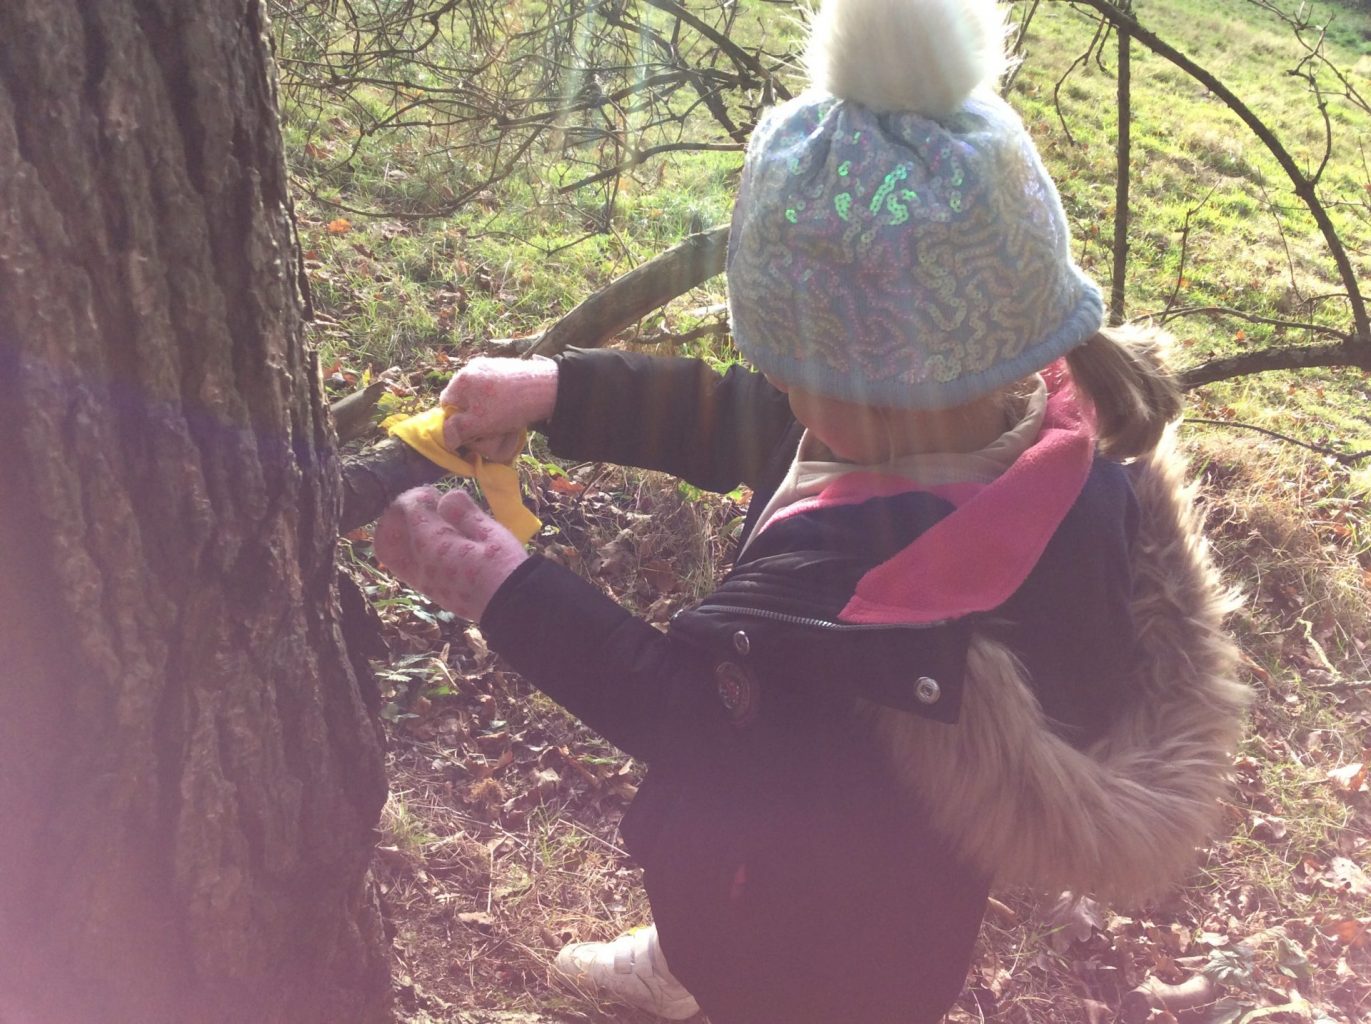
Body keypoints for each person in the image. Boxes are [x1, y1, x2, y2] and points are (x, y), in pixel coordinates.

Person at [372, 0, 1249, 1020]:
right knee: (731, 907)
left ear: (883, 391)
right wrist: (560, 391)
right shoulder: (990, 420)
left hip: (822, 966)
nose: (778, 392)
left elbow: (687, 711)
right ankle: (686, 955)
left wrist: (497, 584)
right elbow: (740, 419)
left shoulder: (893, 614)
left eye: (794, 372)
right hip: (801, 871)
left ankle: (706, 965)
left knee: (756, 963)